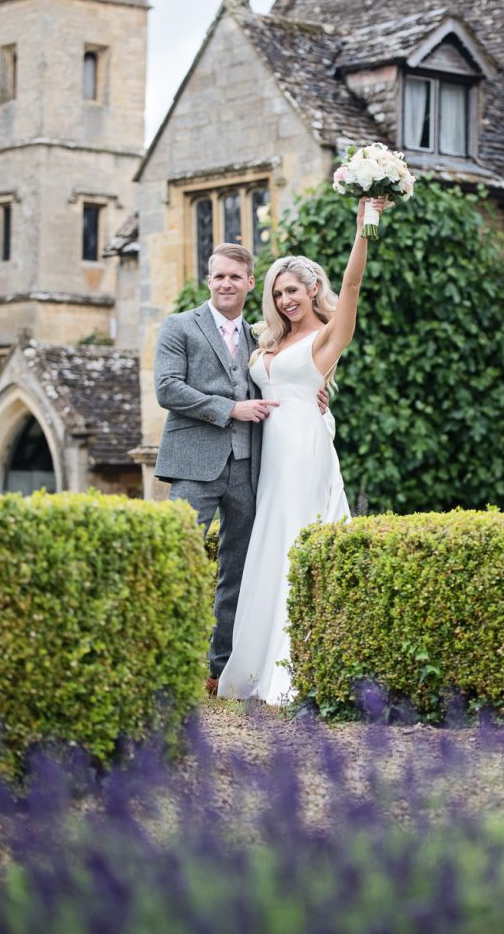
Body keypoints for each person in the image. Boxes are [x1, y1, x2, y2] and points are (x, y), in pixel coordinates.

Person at [218, 198, 385, 705]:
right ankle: (254, 665)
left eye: (293, 290)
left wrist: (365, 228)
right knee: (269, 543)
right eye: (278, 293)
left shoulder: (328, 337)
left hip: (303, 449)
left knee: (297, 540)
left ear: (313, 290)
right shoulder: (267, 341)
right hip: (271, 454)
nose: (286, 299)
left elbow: (353, 285)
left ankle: (296, 667)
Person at [153, 244, 329, 695]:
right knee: (180, 559)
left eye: (235, 277)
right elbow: (168, 388)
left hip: (251, 468)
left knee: (238, 570)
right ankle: (161, 664)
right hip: (194, 463)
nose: (226, 284)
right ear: (208, 281)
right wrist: (231, 407)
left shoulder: (261, 337)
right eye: (218, 277)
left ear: (251, 283)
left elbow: (289, 378)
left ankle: (220, 670)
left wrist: (318, 397)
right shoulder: (179, 326)